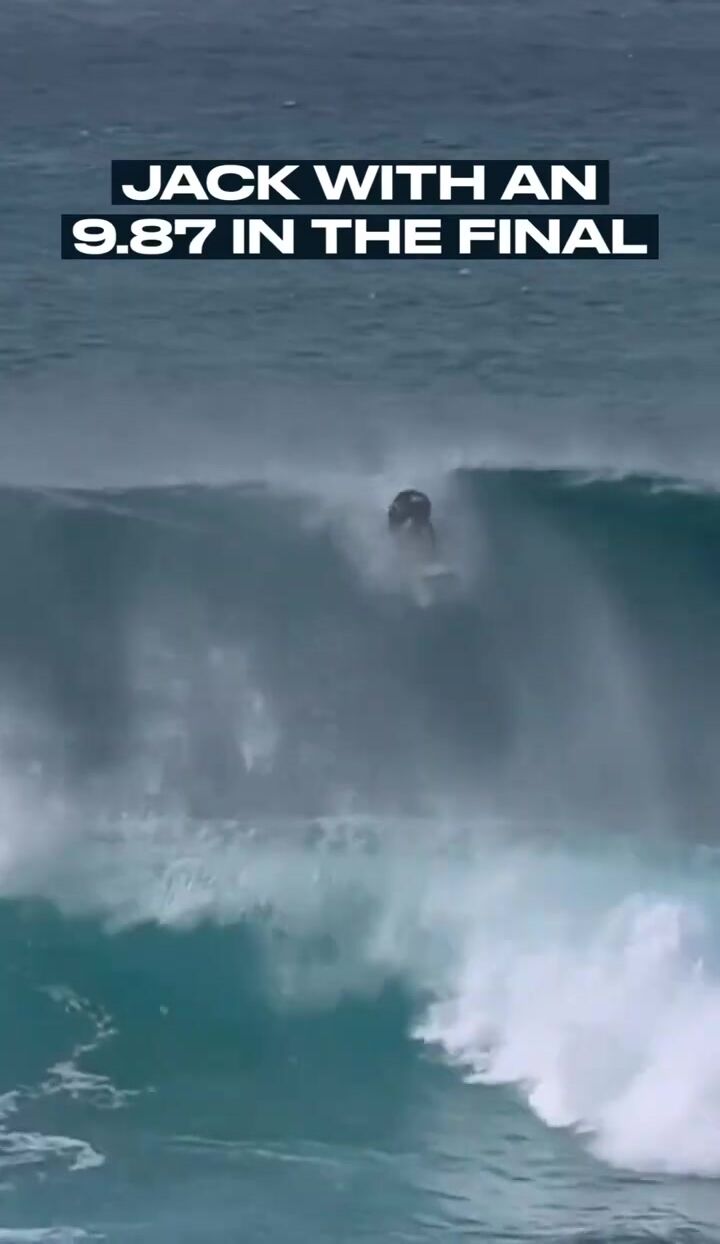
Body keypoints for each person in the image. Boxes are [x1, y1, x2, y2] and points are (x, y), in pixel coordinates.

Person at [387, 489, 435, 556]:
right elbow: (393, 531)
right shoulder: (395, 512)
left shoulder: (418, 506)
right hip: (414, 505)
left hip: (420, 505)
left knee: (419, 527)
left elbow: (424, 523)